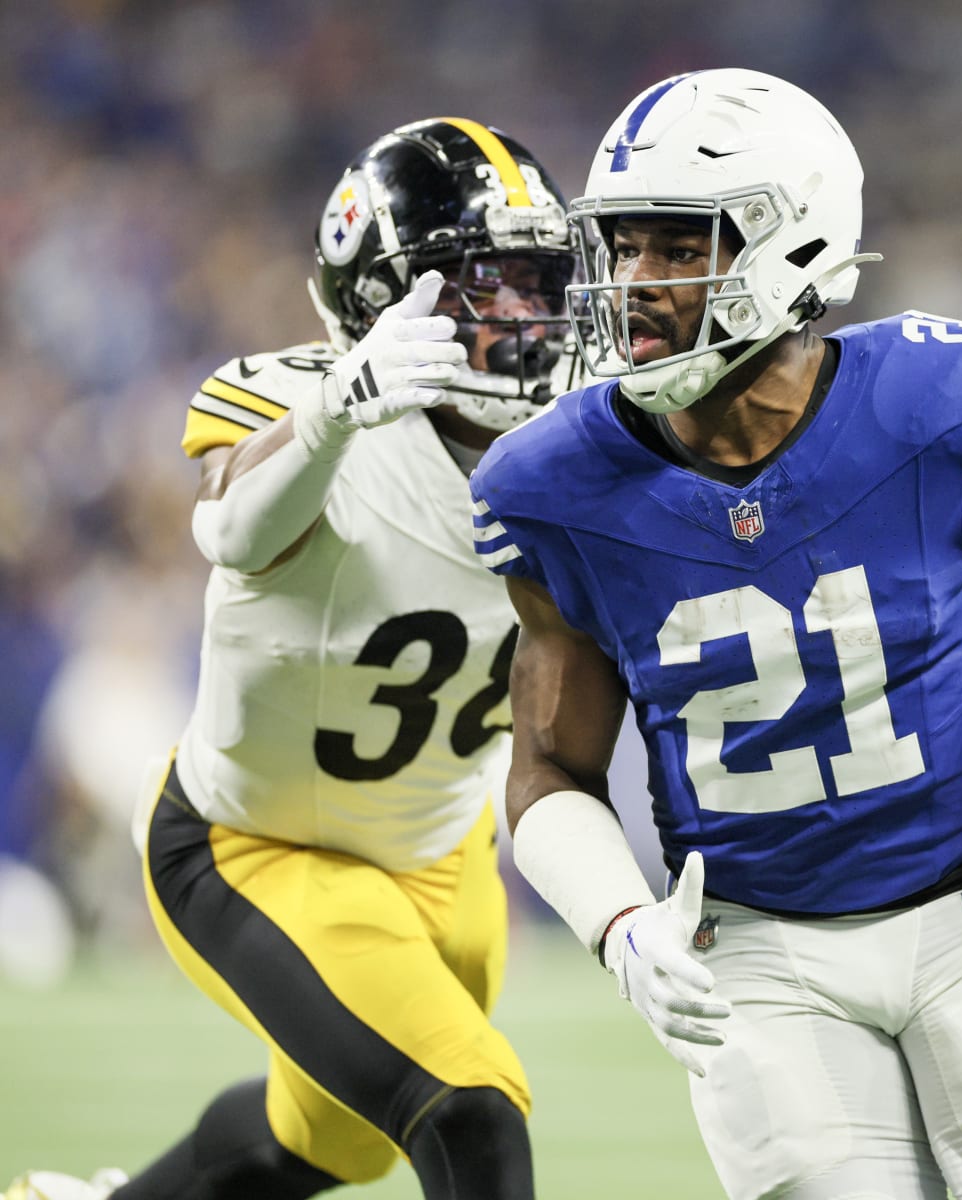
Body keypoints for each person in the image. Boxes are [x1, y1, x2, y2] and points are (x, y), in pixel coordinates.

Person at [470, 69, 962, 1200]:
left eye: (676, 249)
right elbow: (548, 765)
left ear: (789, 247)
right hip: (760, 956)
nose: (632, 285)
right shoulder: (552, 484)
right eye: (621, 247)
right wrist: (621, 924)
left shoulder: (928, 401)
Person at [6, 118, 577, 1200]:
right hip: (249, 845)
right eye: (483, 287)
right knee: (470, 1107)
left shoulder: (583, 444)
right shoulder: (300, 400)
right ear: (378, 302)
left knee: (336, 1138)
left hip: (441, 853)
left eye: (539, 280)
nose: (524, 317)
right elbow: (228, 525)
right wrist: (337, 410)